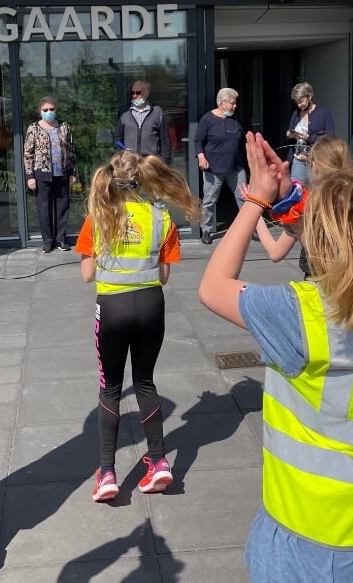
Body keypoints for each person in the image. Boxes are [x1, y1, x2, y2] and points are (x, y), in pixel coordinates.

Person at [199, 133, 353, 583]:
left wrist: (256, 197)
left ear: (322, 238)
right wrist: (290, 195)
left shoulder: (304, 313)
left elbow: (213, 286)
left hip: (310, 537)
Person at [76, 149, 201, 503]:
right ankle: (160, 462)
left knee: (110, 387)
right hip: (150, 307)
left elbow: (87, 274)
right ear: (144, 179)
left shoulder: (97, 217)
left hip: (111, 309)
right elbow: (163, 276)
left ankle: (107, 472)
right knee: (144, 381)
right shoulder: (161, 217)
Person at [252, 135, 352, 274]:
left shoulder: (306, 205)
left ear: (313, 165)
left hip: (319, 282)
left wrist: (255, 211)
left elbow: (275, 252)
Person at [23, 96, 77, 252]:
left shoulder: (64, 127)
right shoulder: (34, 128)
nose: (49, 112)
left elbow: (71, 151)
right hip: (42, 175)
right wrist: (30, 176)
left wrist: (73, 173)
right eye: (45, 110)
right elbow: (28, 154)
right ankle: (47, 240)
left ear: (56, 109)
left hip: (62, 174)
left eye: (51, 109)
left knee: (62, 207)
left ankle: (60, 239)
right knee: (44, 209)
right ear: (40, 111)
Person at [194, 87, 246, 245]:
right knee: (209, 200)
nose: (235, 106)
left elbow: (242, 140)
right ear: (222, 104)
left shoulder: (235, 120)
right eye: (232, 103)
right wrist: (201, 157)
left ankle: (248, 228)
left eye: (235, 103)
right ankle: (207, 230)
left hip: (235, 167)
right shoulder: (208, 119)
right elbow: (198, 141)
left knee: (244, 198)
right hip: (213, 167)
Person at [284, 82, 336, 184]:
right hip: (298, 160)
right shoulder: (296, 113)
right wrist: (291, 135)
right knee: (298, 192)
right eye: (297, 102)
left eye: (301, 101)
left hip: (316, 161)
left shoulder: (323, 113)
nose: (299, 105)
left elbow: (330, 137)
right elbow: (291, 130)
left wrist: (309, 137)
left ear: (310, 96)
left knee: (316, 192)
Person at [114, 80, 171, 163]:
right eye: (132, 93)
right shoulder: (124, 112)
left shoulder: (157, 111)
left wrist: (164, 161)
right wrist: (124, 153)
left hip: (151, 161)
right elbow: (117, 138)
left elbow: (165, 139)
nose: (134, 95)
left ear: (146, 93)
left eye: (138, 93)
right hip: (130, 161)